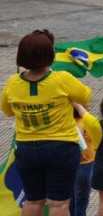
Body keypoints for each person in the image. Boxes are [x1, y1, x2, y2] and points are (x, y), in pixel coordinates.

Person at [1, 30, 92, 216]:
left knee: (33, 200)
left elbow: (8, 110)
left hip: (26, 149)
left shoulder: (12, 83)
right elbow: (85, 96)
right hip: (61, 147)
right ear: (50, 55)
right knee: (58, 204)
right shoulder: (62, 79)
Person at [70, 105, 94, 216]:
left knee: (71, 200)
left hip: (69, 165)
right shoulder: (85, 122)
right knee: (81, 201)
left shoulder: (66, 122)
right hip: (85, 165)